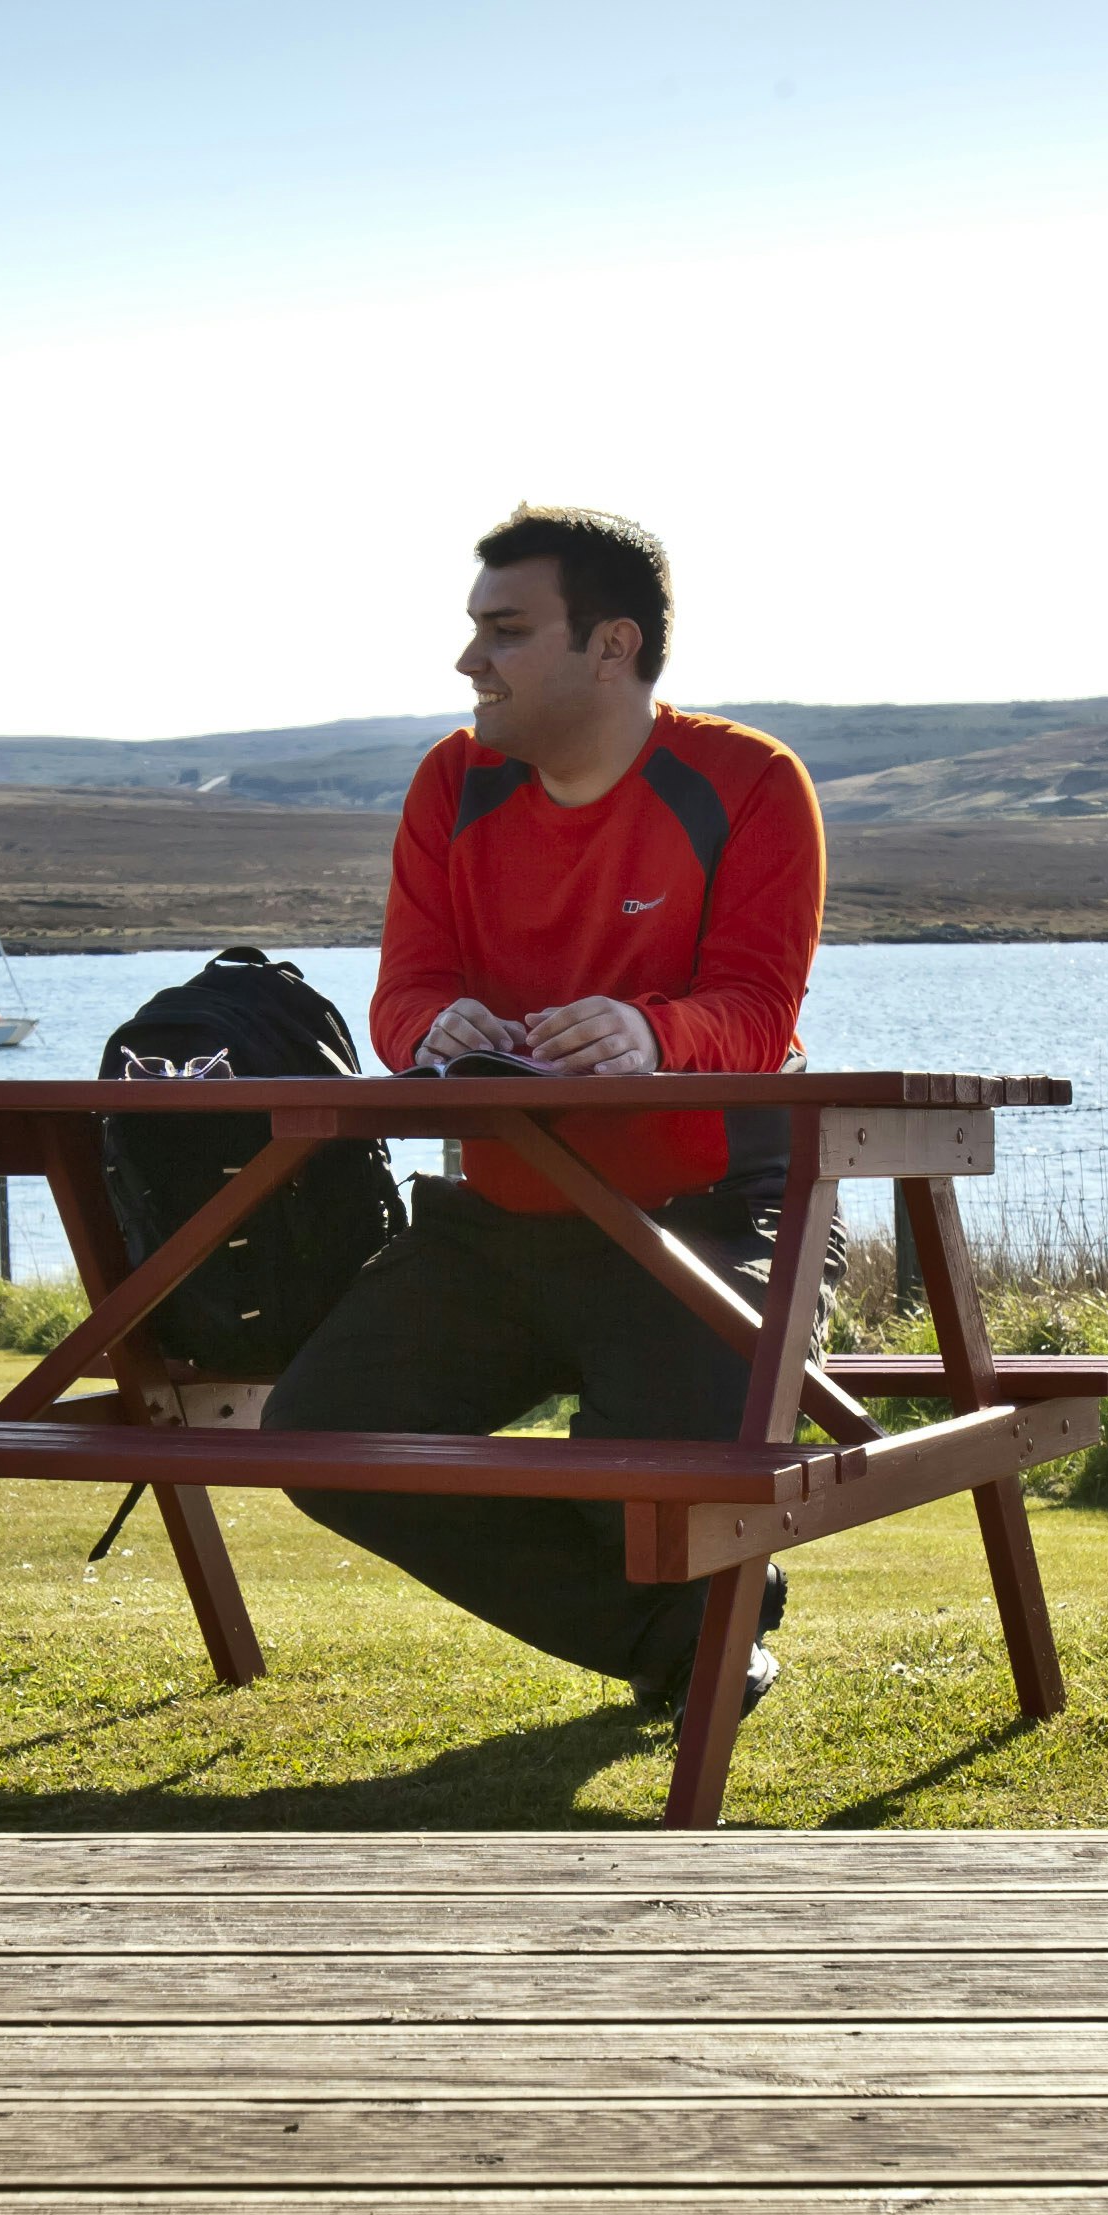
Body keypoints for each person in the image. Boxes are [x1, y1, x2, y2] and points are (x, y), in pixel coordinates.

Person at [263, 505, 834, 1714]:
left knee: (627, 1488)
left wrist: (651, 1034)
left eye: (506, 632)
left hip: (712, 1214)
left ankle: (689, 1615)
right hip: (502, 1216)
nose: (470, 664)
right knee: (321, 1437)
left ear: (611, 646)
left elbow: (755, 1004)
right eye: (475, 631)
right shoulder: (449, 783)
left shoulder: (750, 783)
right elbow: (404, 989)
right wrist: (433, 1030)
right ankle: (677, 1638)